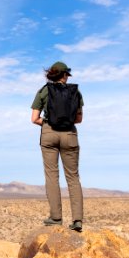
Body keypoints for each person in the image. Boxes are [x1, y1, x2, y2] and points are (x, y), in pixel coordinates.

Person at [30, 61, 84, 232]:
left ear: (52, 74)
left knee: (52, 176)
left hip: (49, 134)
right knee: (73, 178)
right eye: (67, 74)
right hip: (69, 135)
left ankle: (55, 218)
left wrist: (47, 124)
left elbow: (34, 118)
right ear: (65, 75)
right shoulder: (76, 92)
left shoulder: (44, 91)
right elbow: (79, 119)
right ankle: (77, 221)